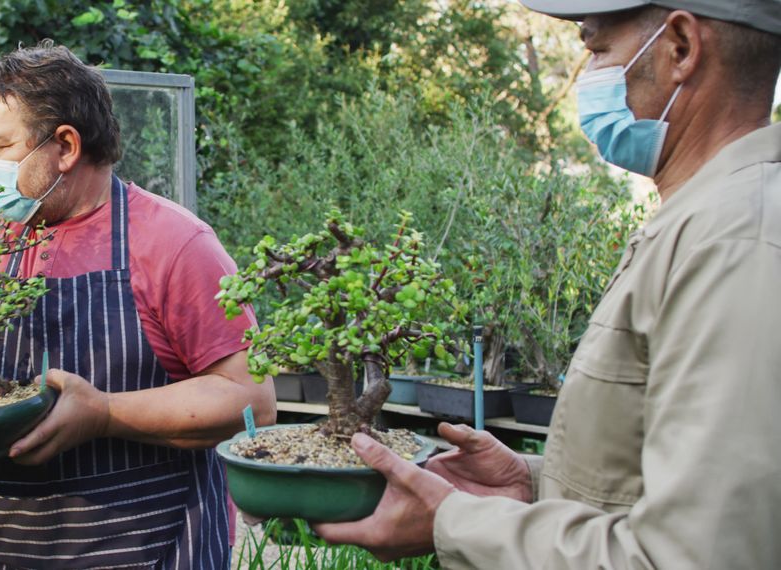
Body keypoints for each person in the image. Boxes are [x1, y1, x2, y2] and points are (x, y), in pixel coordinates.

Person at [312, 1, 781, 568]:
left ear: (680, 46)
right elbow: (674, 485)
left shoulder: (736, 240)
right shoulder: (704, 217)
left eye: (598, 49)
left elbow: (695, 555)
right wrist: (533, 483)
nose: (590, 78)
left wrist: (457, 522)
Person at [0, 41, 276, 569]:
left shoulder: (173, 243)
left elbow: (252, 401)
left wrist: (104, 413)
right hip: (3, 541)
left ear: (64, 146)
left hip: (148, 540)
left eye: (0, 145)